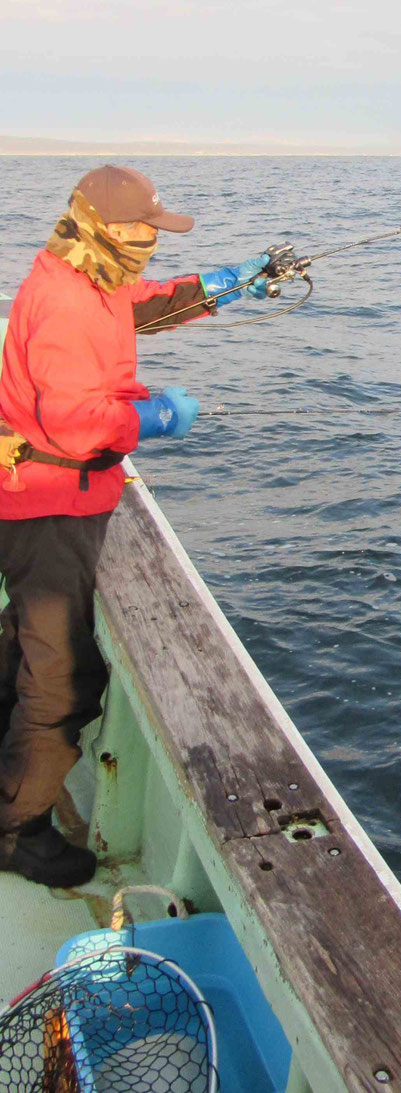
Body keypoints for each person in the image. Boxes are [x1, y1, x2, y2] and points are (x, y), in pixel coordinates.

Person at [0, 164, 271, 887]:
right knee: (64, 683)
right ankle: (14, 833)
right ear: (108, 229)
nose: (152, 242)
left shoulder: (88, 277)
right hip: (48, 505)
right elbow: (73, 422)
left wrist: (225, 285)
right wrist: (156, 417)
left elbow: (141, 304)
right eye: (145, 230)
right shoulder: (62, 301)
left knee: (21, 652)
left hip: (55, 501)